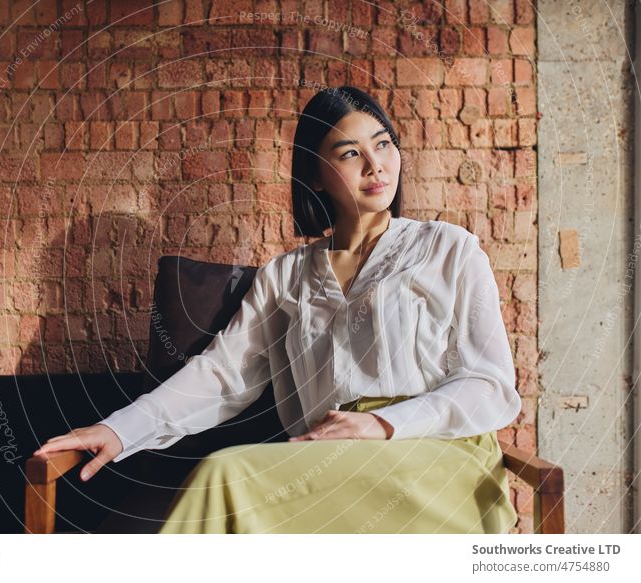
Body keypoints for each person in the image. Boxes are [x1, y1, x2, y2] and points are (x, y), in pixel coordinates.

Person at [33, 85, 522, 534]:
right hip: (325, 463)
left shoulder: (448, 249)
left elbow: (491, 385)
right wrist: (118, 430)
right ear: (315, 172)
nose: (376, 165)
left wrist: (379, 424)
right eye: (350, 153)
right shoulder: (287, 275)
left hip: (433, 458)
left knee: (226, 473)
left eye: (384, 144)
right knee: (232, 482)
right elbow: (222, 376)